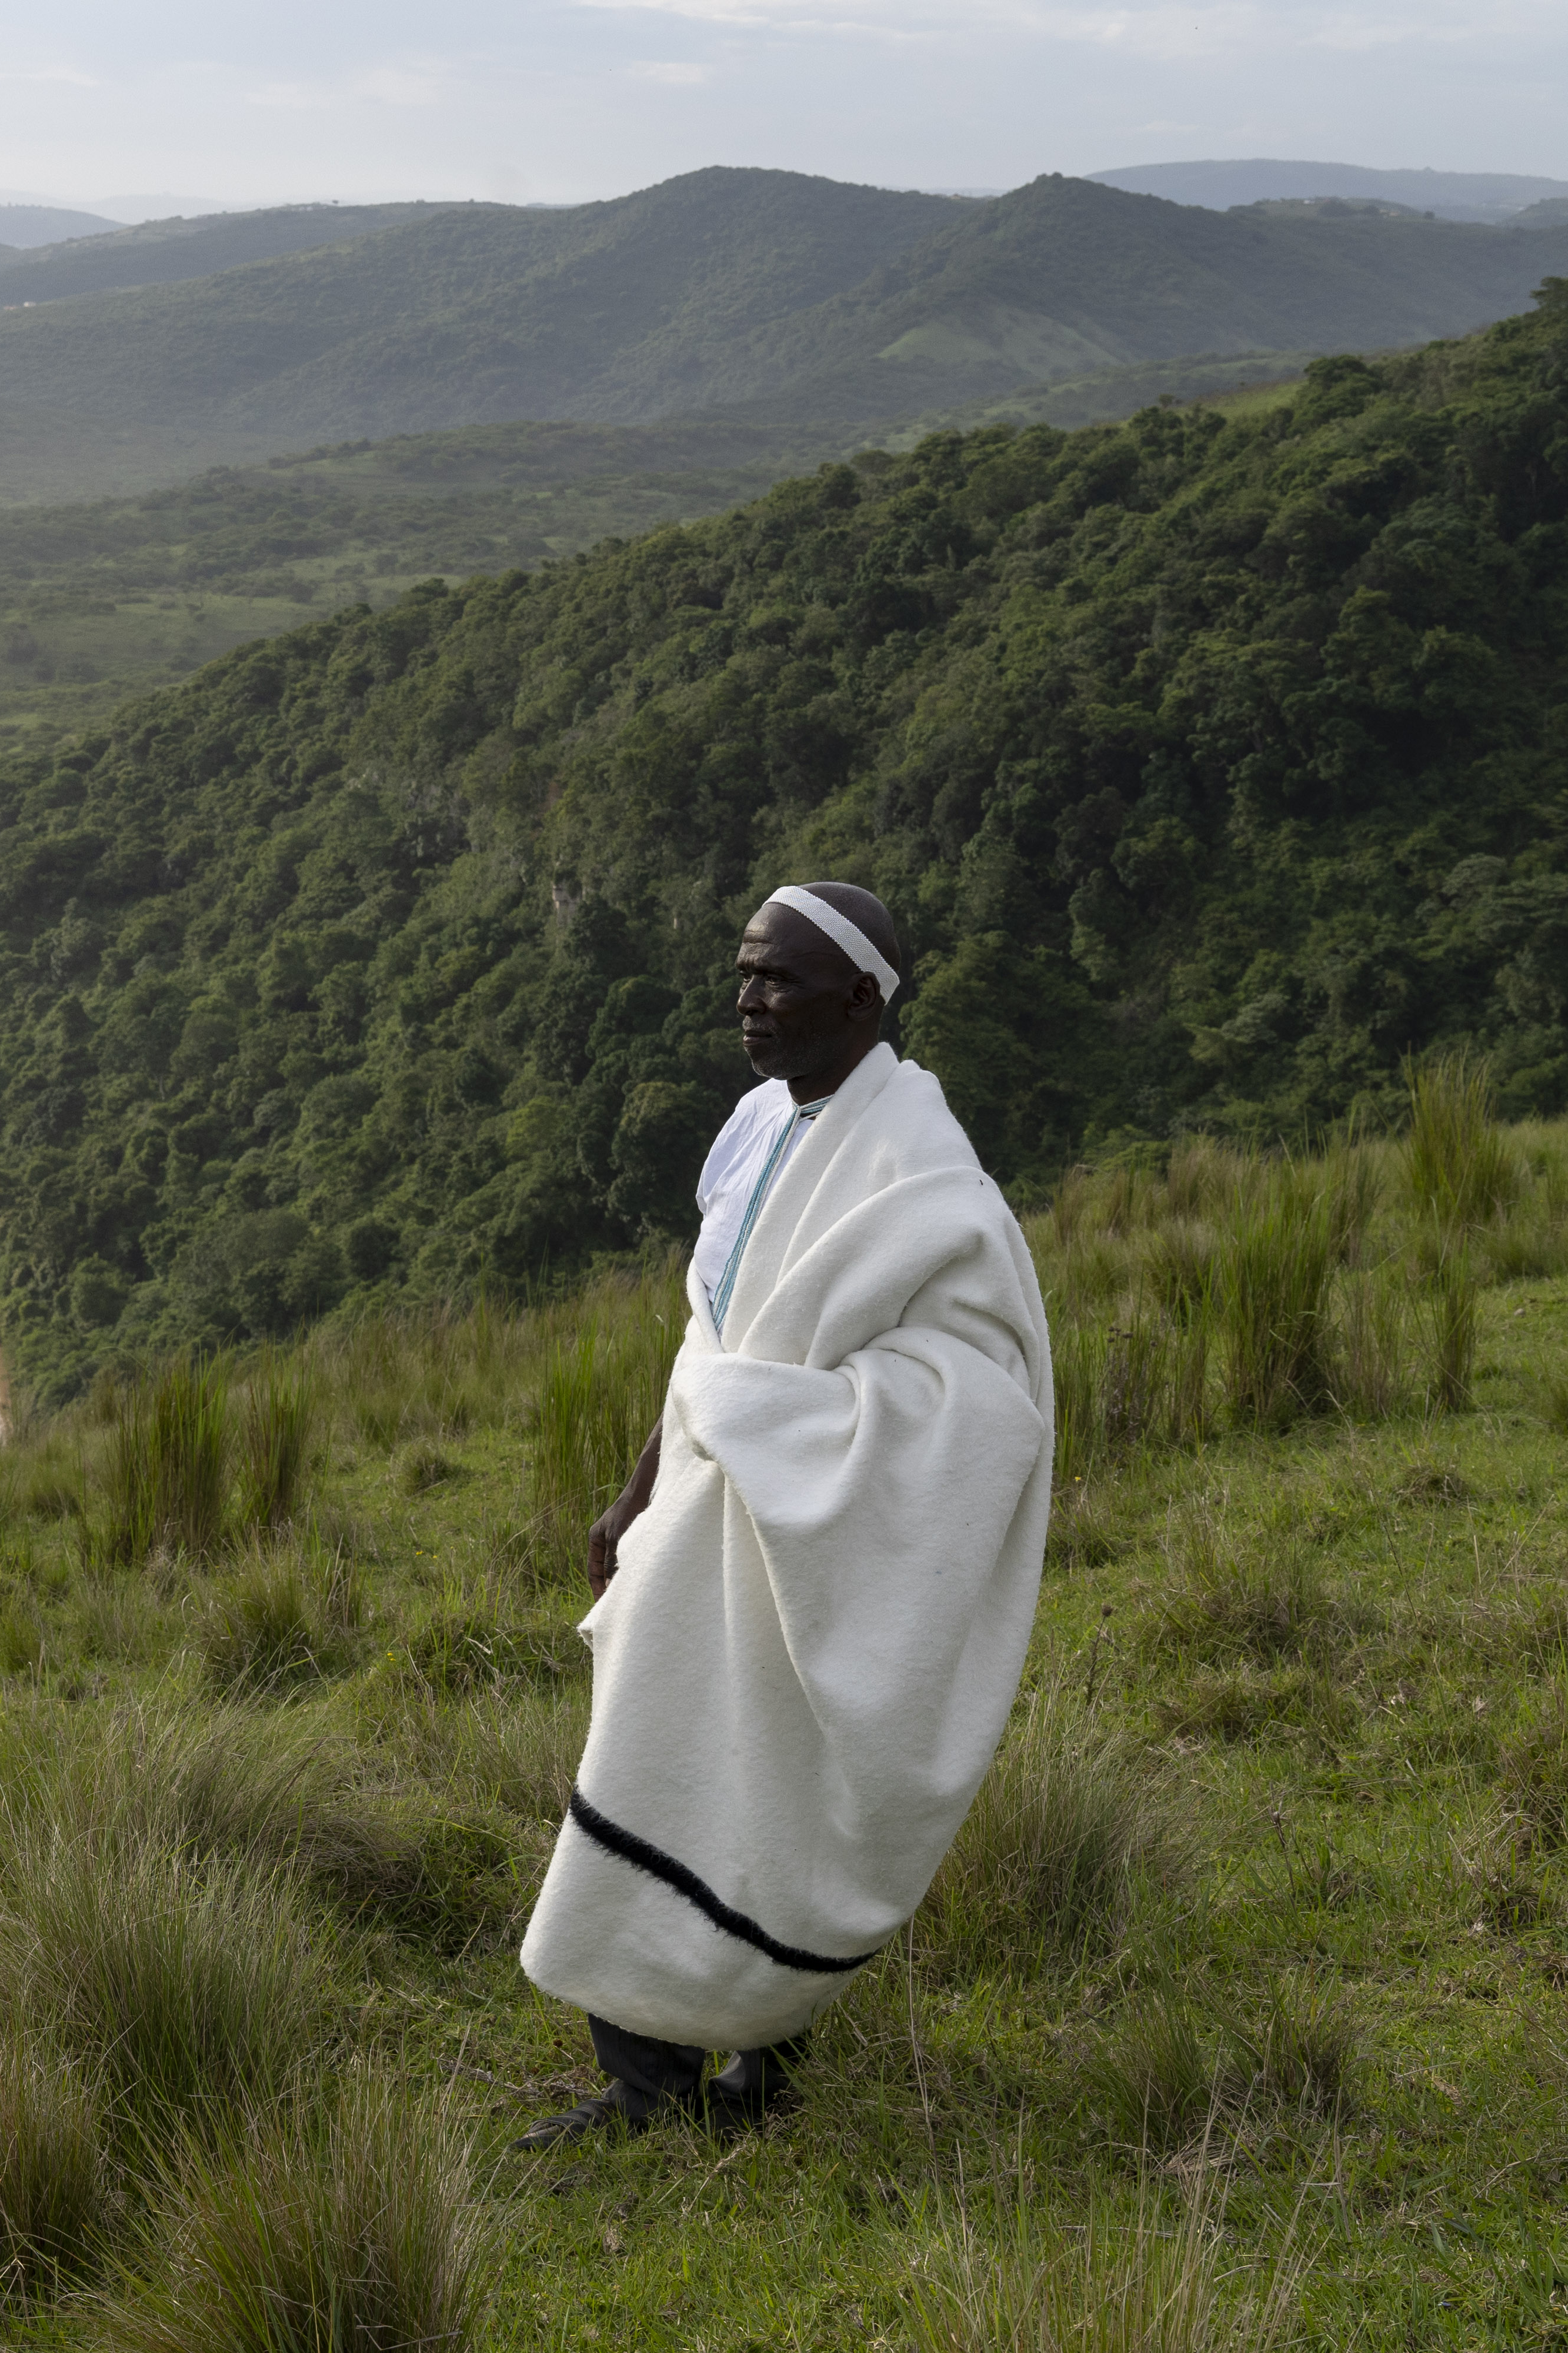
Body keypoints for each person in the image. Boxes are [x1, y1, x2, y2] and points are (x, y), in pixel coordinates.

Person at [516, 880, 1053, 2145]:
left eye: (779, 980)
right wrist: (643, 1482)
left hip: (803, 1521)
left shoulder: (924, 1171)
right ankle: (649, 2087)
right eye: (745, 974)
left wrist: (776, 1429)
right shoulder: (758, 1127)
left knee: (778, 1782)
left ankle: (756, 2060)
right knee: (659, 1764)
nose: (747, 1001)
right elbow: (713, 1327)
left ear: (861, 1000)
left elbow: (978, 1391)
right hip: (705, 1508)